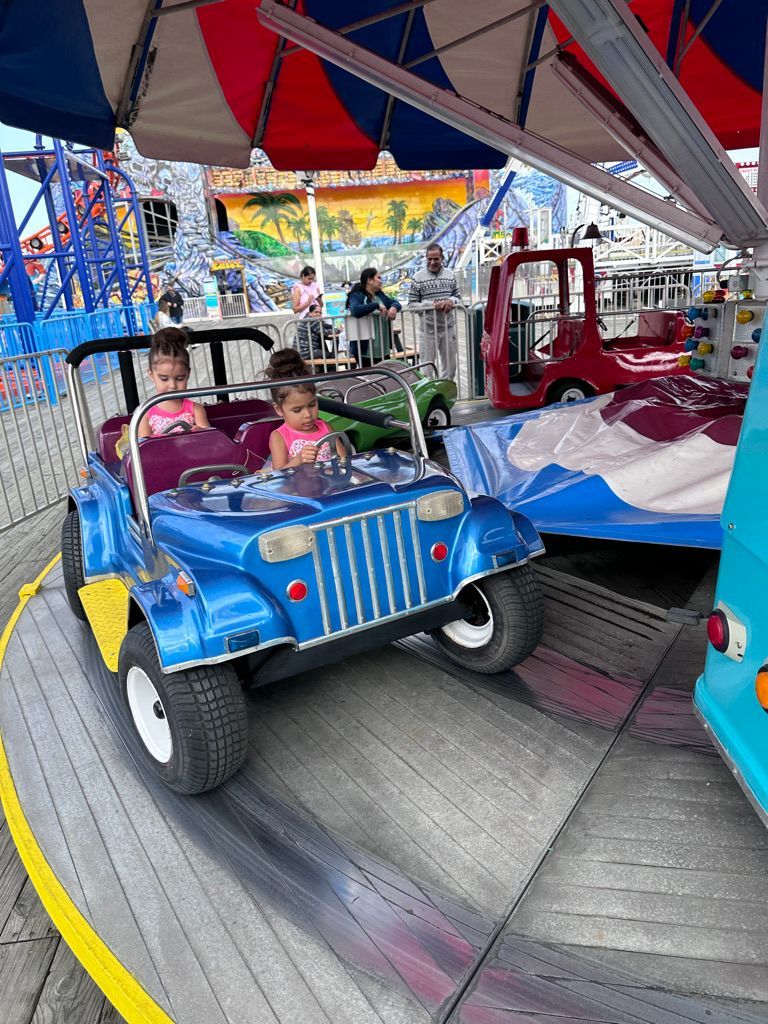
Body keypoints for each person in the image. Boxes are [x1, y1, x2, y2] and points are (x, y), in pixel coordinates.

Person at [265, 349, 345, 468]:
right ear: (279, 409)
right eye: (297, 410)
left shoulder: (325, 427)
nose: (308, 414)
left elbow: (344, 459)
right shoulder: (279, 437)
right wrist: (298, 460)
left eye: (312, 405)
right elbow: (279, 475)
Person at [138, 328, 210, 438]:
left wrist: (199, 432)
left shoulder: (196, 410)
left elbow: (210, 441)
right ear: (151, 374)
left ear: (188, 373)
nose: (172, 386)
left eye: (180, 378)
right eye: (164, 379)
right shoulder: (145, 413)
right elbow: (143, 448)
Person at [407, 243, 461, 378]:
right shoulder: (417, 278)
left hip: (448, 329)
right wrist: (431, 305)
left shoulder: (450, 275)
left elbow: (458, 297)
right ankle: (430, 398)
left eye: (436, 259)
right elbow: (411, 305)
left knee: (450, 369)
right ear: (426, 258)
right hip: (428, 331)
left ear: (442, 258)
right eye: (429, 259)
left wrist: (451, 301)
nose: (432, 262)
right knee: (426, 371)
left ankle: (446, 397)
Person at [346, 267, 401, 367]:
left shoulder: (380, 295)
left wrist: (394, 307)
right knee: (369, 379)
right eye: (379, 277)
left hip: (383, 348)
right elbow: (355, 310)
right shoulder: (356, 295)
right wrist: (376, 305)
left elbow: (396, 303)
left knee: (384, 378)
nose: (381, 281)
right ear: (370, 280)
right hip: (364, 349)